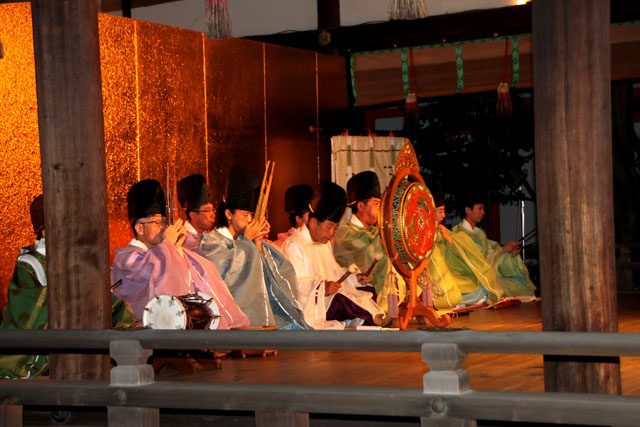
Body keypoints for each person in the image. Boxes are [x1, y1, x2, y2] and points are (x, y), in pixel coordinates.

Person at [0, 195, 135, 380]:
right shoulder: (29, 263)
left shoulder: (75, 257)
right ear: (45, 232)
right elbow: (27, 308)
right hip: (45, 351)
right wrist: (76, 291)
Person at [112, 179, 249, 329]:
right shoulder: (126, 258)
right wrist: (168, 248)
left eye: (164, 223)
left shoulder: (162, 250)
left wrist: (176, 250)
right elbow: (150, 279)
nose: (163, 228)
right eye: (157, 223)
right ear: (139, 228)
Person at [198, 166, 310, 330]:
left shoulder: (245, 241)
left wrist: (257, 243)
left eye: (250, 215)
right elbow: (226, 277)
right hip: (229, 315)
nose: (249, 220)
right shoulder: (211, 242)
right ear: (229, 214)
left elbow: (268, 275)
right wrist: (248, 242)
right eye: (244, 215)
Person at [283, 182, 390, 329]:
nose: (332, 233)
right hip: (313, 304)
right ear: (313, 222)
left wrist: (355, 278)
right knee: (341, 301)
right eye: (329, 227)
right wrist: (323, 288)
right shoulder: (294, 245)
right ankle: (373, 319)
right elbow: (294, 285)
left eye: (335, 227)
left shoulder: (324, 244)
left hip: (330, 296)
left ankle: (372, 319)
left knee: (367, 291)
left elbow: (335, 272)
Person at [333, 171, 406, 312]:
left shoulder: (376, 233)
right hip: (357, 299)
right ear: (360, 206)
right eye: (376, 203)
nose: (380, 209)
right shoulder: (345, 235)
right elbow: (368, 257)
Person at [424, 186, 504, 308]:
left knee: (484, 286)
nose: (444, 215)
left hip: (464, 269)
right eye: (440, 211)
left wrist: (450, 240)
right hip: (440, 273)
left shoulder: (476, 233)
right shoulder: (449, 231)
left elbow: (482, 251)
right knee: (474, 288)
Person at [452, 194, 536, 298]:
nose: (483, 212)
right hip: (472, 276)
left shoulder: (479, 233)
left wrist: (509, 253)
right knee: (503, 289)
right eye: (480, 209)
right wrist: (503, 250)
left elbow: (491, 251)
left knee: (517, 281)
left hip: (487, 273)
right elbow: (476, 260)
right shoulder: (458, 233)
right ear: (468, 210)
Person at [177, 173, 215, 251]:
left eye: (213, 210)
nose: (213, 215)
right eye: (207, 210)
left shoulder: (212, 237)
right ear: (193, 215)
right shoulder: (182, 240)